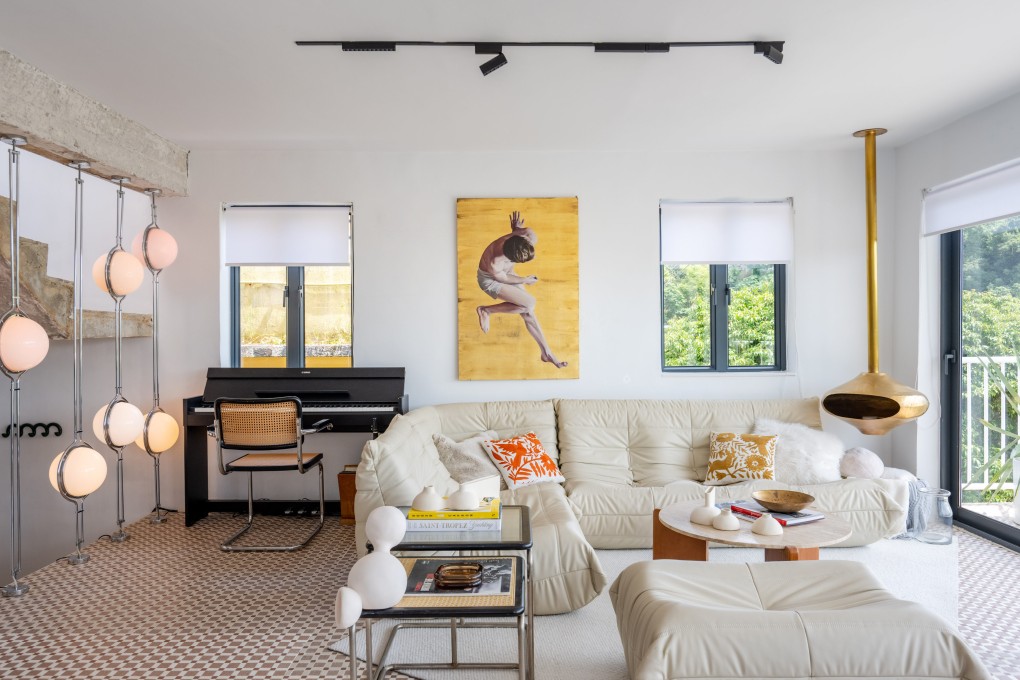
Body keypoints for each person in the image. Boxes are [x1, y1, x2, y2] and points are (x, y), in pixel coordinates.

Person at [476, 210, 567, 368]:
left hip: (507, 272)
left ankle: (547, 353)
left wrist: (517, 229)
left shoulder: (529, 235)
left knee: (527, 311)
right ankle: (486, 310)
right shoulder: (494, 263)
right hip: (491, 280)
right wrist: (524, 279)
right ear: (509, 257)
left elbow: (521, 233)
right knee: (529, 304)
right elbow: (505, 278)